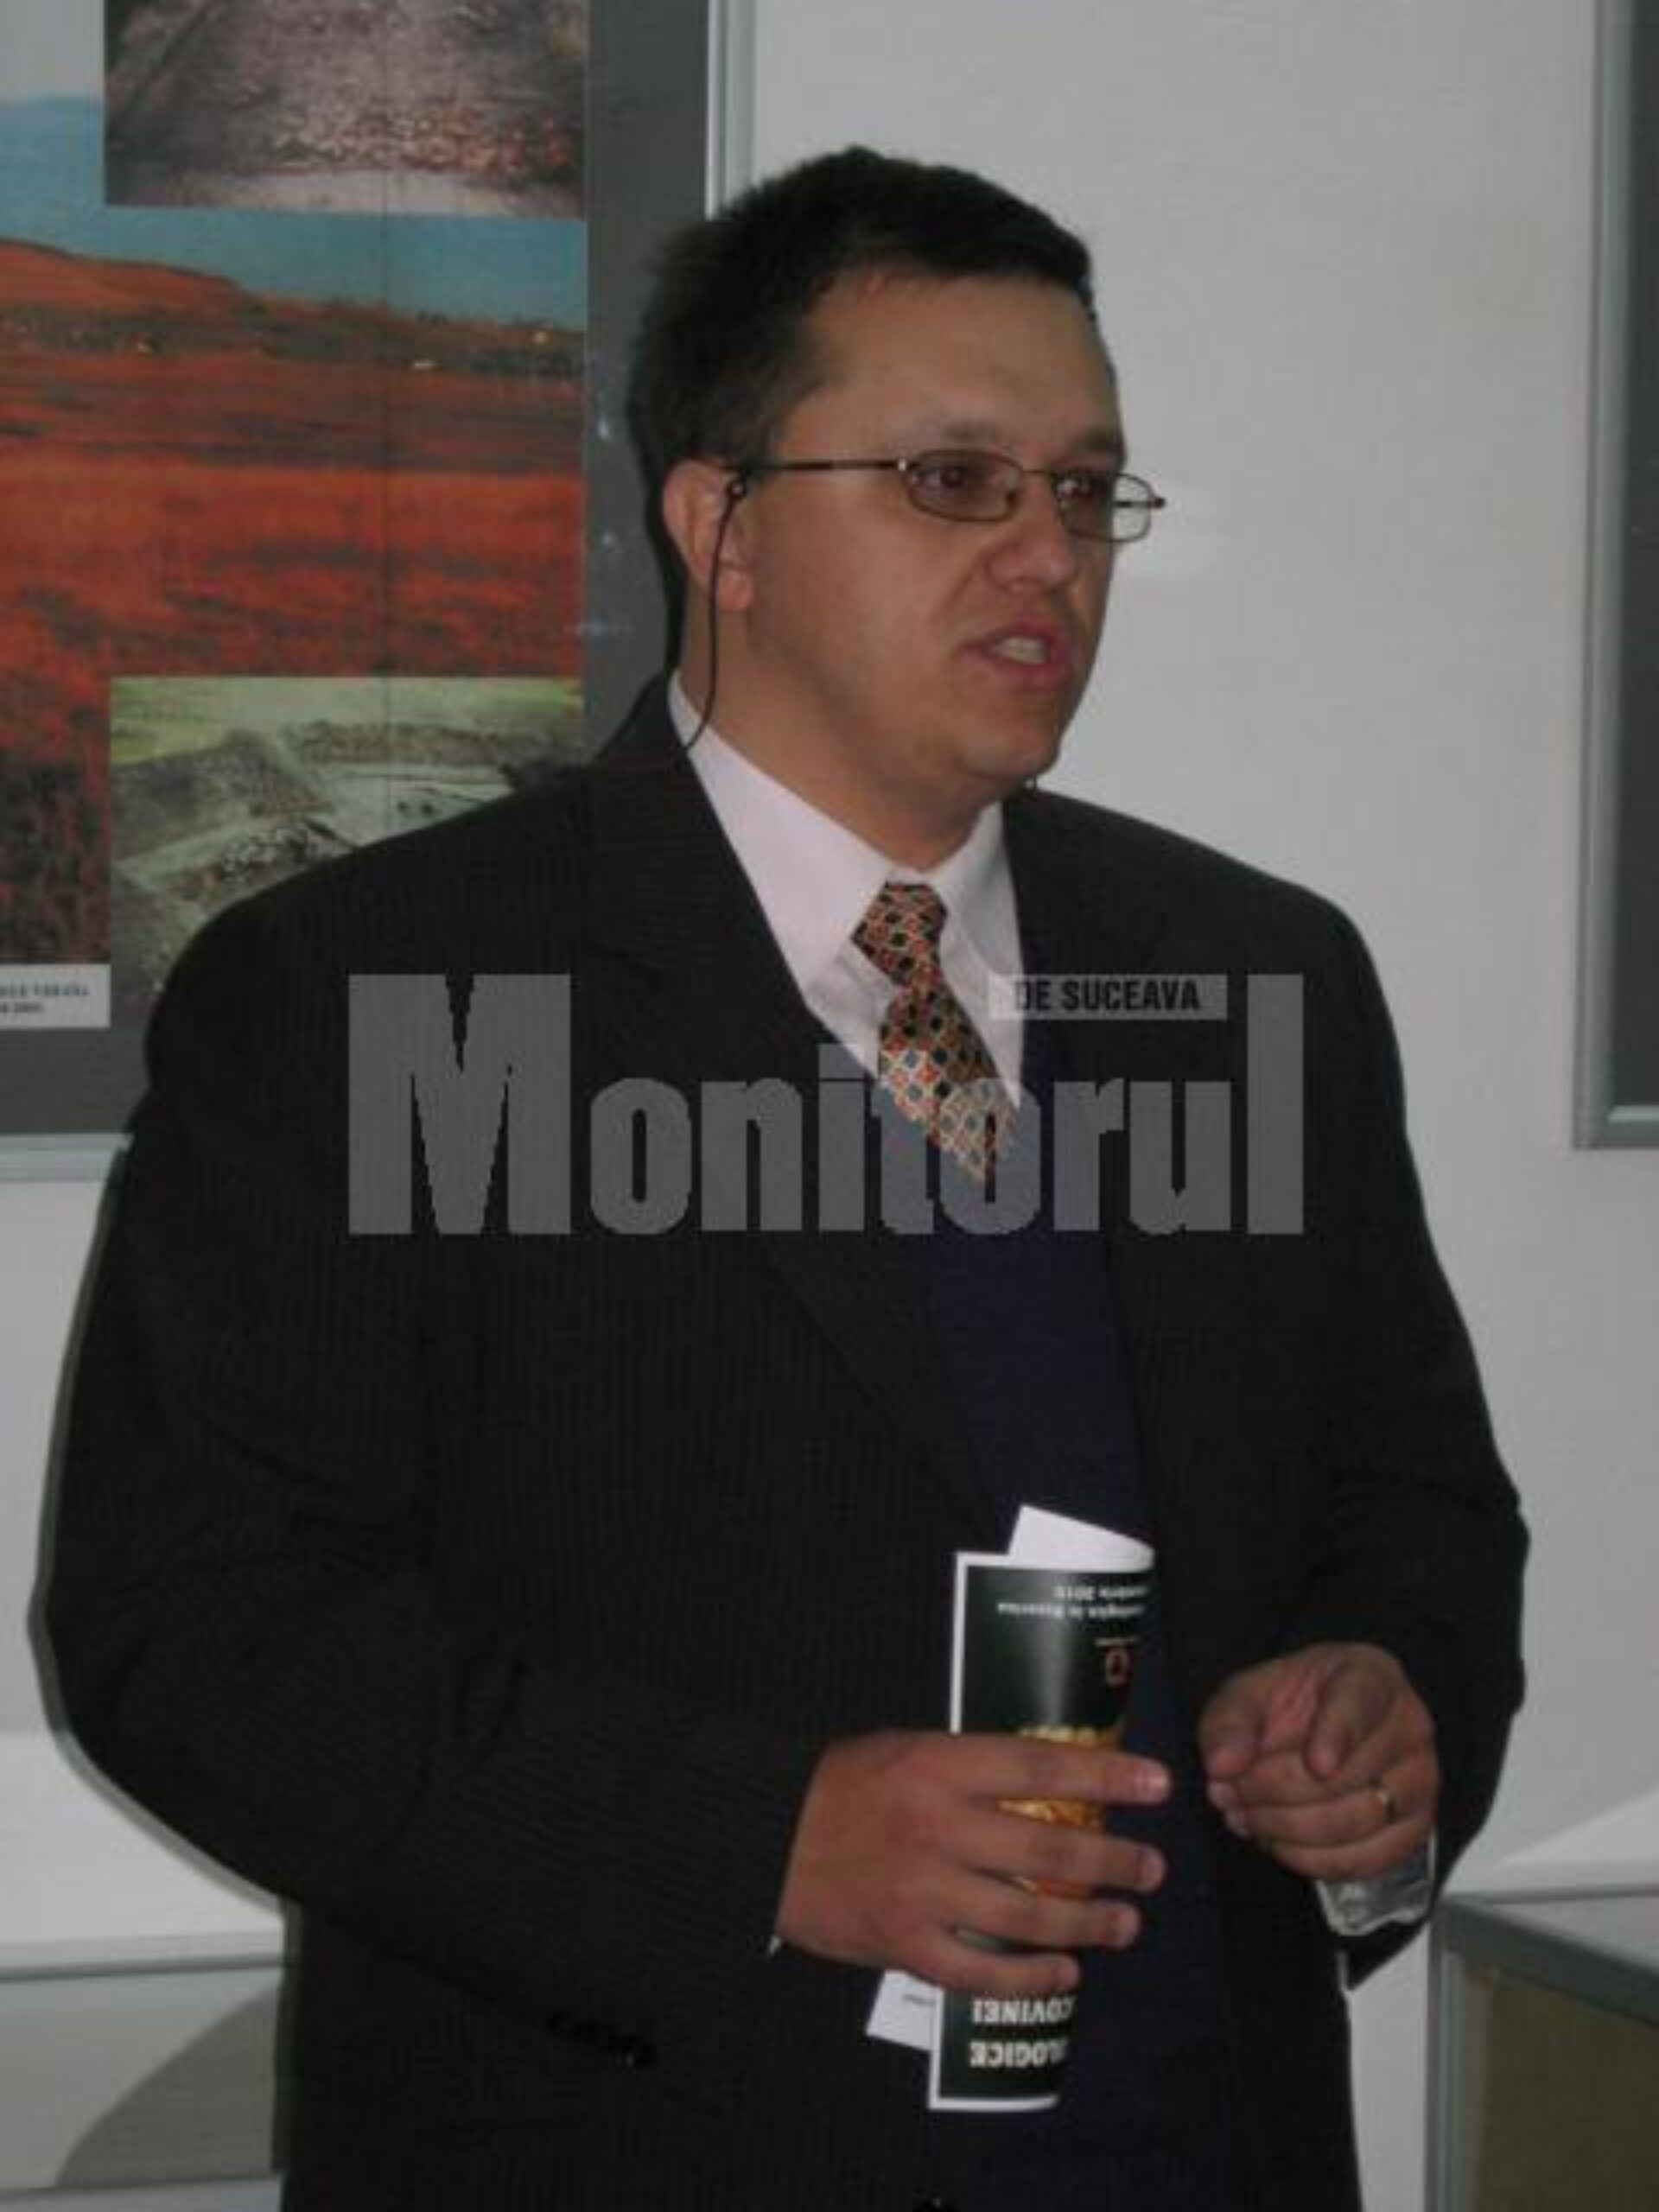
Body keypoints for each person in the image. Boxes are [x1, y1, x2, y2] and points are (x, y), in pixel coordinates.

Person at [47, 148, 1526, 2210]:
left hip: (1201, 2138)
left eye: (1084, 489)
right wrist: (760, 1841)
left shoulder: (1257, 975)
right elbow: (196, 1631)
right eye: (952, 480)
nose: (1047, 554)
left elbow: (1420, 1503)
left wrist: (1387, 1695)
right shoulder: (383, 990)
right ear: (721, 526)